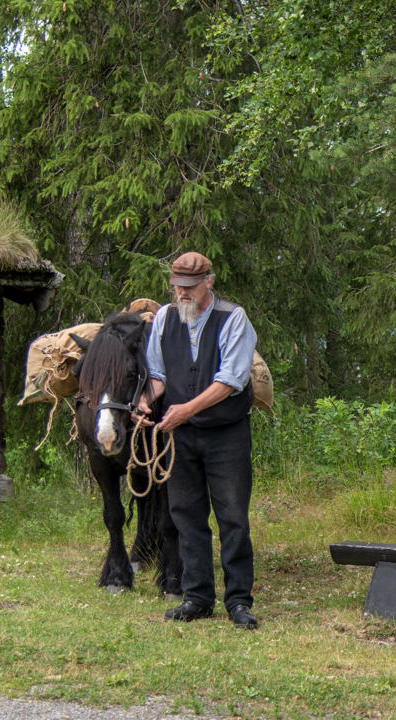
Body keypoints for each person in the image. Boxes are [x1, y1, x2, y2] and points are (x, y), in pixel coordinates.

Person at [134, 251, 259, 630]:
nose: (182, 293)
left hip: (226, 433)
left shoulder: (232, 318)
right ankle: (198, 597)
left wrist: (185, 409)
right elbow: (157, 374)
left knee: (233, 517)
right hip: (181, 435)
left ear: (209, 281)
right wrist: (143, 401)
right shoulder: (165, 320)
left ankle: (238, 600)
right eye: (177, 287)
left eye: (189, 287)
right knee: (186, 514)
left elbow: (231, 380)